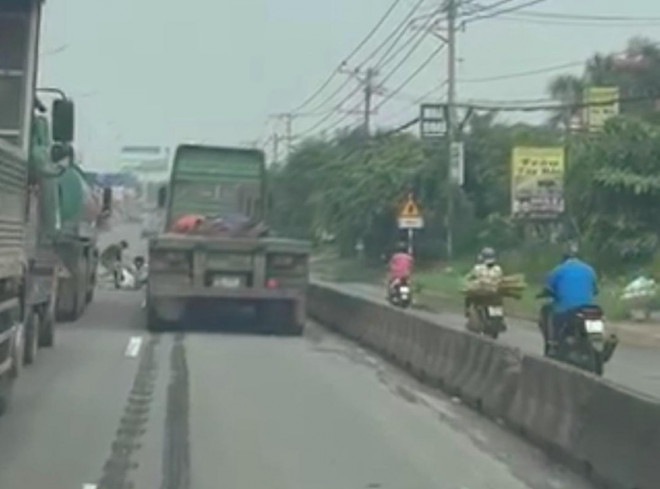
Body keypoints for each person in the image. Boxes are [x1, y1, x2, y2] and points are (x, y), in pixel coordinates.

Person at [540, 243, 598, 350]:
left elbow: (548, 289)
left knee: (548, 312)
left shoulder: (558, 270)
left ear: (563, 258)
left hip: (566, 310)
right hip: (589, 310)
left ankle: (553, 343)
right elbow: (595, 290)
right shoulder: (590, 270)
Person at [465, 247, 503, 316]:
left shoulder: (478, 268)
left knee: (469, 296)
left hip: (481, 291)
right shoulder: (498, 268)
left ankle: (467, 310)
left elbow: (469, 277)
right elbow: (500, 278)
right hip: (494, 291)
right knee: (498, 301)